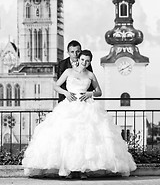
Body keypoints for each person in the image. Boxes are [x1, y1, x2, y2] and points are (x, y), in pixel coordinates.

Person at [22, 50, 137, 179]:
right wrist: (65, 93)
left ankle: (83, 170)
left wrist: (90, 93)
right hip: (69, 105)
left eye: (87, 61)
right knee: (68, 137)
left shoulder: (90, 75)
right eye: (83, 59)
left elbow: (99, 92)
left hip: (86, 106)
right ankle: (69, 169)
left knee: (86, 138)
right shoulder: (68, 72)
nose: (84, 63)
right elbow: (56, 86)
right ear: (79, 59)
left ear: (89, 62)